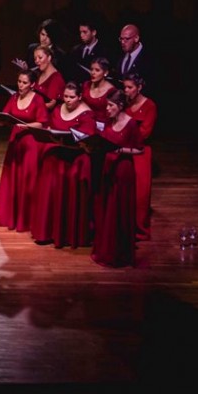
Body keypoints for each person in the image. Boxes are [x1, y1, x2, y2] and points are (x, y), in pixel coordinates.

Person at [29, 82, 97, 248]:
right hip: (58, 155)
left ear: (80, 97)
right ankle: (47, 232)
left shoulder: (87, 115)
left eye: (72, 97)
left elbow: (88, 141)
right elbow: (51, 127)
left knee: (69, 193)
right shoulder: (59, 109)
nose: (67, 100)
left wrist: (69, 144)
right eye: (65, 96)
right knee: (49, 185)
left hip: (75, 159)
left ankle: (67, 234)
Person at [0, 69, 48, 232]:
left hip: (30, 142)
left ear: (32, 85)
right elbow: (6, 116)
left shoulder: (37, 100)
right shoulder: (14, 97)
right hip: (15, 141)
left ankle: (26, 220)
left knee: (27, 180)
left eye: (24, 83)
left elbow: (42, 122)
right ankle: (12, 217)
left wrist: (26, 126)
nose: (20, 85)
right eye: (19, 82)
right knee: (13, 178)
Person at [90, 89, 143, 268]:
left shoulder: (131, 124)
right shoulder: (107, 121)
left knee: (119, 210)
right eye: (107, 105)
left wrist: (120, 150)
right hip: (108, 168)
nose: (108, 108)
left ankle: (119, 253)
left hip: (123, 171)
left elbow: (139, 149)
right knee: (107, 210)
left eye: (111, 105)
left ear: (120, 106)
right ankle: (106, 248)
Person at [122, 72, 158, 241]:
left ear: (139, 87)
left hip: (140, 151)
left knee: (140, 193)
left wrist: (124, 137)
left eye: (130, 87)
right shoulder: (125, 105)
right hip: (125, 149)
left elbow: (145, 132)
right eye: (125, 87)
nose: (126, 91)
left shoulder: (150, 105)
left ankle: (139, 229)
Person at [69, 19, 116, 84]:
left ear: (93, 32)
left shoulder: (104, 51)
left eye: (85, 32)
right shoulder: (76, 50)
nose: (81, 35)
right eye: (80, 32)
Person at [116, 24, 156, 97]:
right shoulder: (120, 54)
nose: (122, 42)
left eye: (126, 39)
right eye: (121, 39)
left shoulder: (149, 58)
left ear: (136, 38)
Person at [27, 44, 65, 113]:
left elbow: (51, 105)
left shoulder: (56, 78)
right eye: (35, 59)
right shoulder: (39, 74)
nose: (37, 61)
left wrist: (31, 107)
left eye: (40, 57)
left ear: (49, 58)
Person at [81, 57, 115, 124]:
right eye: (91, 69)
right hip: (85, 121)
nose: (93, 73)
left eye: (97, 70)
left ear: (105, 72)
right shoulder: (86, 85)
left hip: (102, 125)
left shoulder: (112, 91)